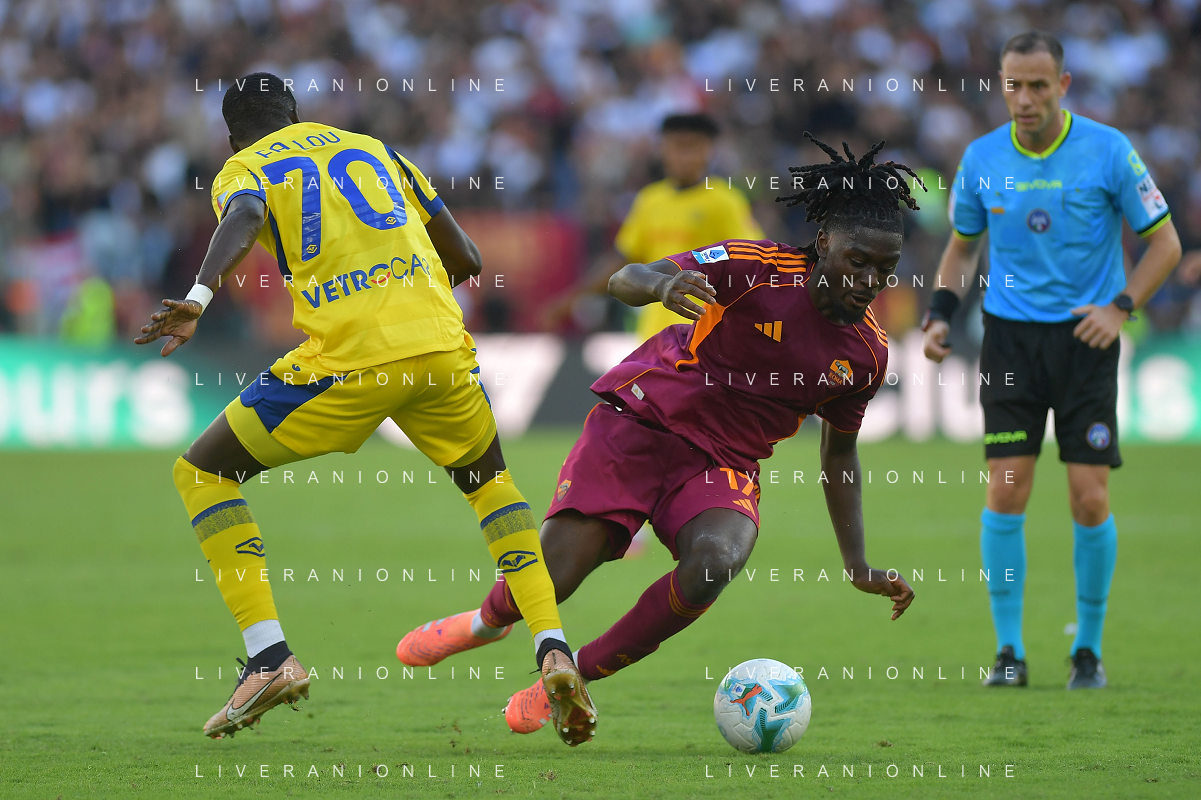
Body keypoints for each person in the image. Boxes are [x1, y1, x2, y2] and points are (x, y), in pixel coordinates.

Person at [397, 134, 917, 734]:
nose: (869, 280)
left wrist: (857, 564)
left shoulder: (866, 354)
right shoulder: (757, 268)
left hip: (722, 464)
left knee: (714, 562)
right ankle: (484, 624)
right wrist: (663, 286)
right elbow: (627, 276)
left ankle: (571, 677)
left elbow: (840, 454)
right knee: (555, 577)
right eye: (858, 261)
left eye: (884, 270)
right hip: (641, 423)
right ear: (824, 242)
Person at [134, 73, 596, 744]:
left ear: (232, 137)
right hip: (441, 349)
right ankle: (553, 647)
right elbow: (466, 256)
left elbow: (245, 216)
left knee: (202, 472)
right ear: (297, 114)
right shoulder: (375, 149)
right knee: (493, 488)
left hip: (350, 359)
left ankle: (269, 658)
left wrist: (199, 298)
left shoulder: (244, 167)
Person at [921, 32, 1182, 689]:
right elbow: (961, 247)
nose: (1025, 98)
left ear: (1062, 85)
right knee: (1005, 491)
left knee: (1089, 499)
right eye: (1014, 85)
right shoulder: (981, 159)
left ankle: (1086, 651)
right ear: (1001, 86)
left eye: (1039, 85)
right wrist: (940, 313)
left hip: (1084, 343)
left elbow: (1166, 244)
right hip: (1009, 342)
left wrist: (1120, 307)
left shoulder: (1109, 151)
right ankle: (1008, 652)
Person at [546, 113, 764, 340]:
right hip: (654, 336)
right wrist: (572, 299)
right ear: (662, 149)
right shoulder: (650, 200)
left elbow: (751, 257)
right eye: (676, 146)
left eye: (692, 147)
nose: (683, 156)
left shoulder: (725, 201)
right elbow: (621, 259)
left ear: (709, 150)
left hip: (704, 336)